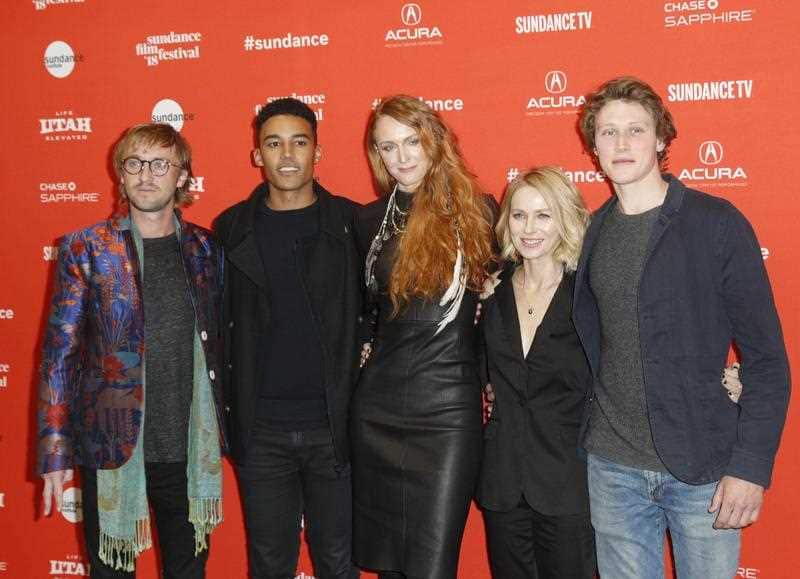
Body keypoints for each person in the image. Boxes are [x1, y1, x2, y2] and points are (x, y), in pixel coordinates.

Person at [573, 77, 791, 578]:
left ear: (662, 140)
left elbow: (766, 362)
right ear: (593, 147)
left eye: (635, 130)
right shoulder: (593, 230)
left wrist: (749, 468)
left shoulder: (716, 223)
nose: (622, 144)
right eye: (608, 133)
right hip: (612, 468)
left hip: (704, 471)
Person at [38, 123, 225, 578]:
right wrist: (55, 453)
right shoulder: (86, 249)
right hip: (111, 445)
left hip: (187, 448)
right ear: (120, 174)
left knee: (188, 571)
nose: (146, 175)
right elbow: (59, 355)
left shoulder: (206, 249)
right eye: (134, 163)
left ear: (182, 177)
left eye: (160, 164)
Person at [214, 98, 361, 579]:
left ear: (318, 150)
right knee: (270, 563)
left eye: (300, 142)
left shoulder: (351, 224)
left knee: (339, 561)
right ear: (257, 155)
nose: (288, 155)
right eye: (273, 144)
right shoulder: (230, 229)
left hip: (335, 429)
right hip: (262, 433)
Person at [351, 95, 495, 579]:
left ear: (434, 140)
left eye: (412, 141)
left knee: (432, 566)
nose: (402, 157)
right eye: (388, 147)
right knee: (390, 566)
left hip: (447, 411)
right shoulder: (367, 221)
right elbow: (364, 313)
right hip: (377, 408)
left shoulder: (479, 212)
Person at [476, 167, 596, 579]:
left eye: (543, 215)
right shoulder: (491, 292)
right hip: (503, 479)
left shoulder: (588, 295)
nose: (529, 228)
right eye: (519, 214)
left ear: (565, 219)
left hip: (569, 480)